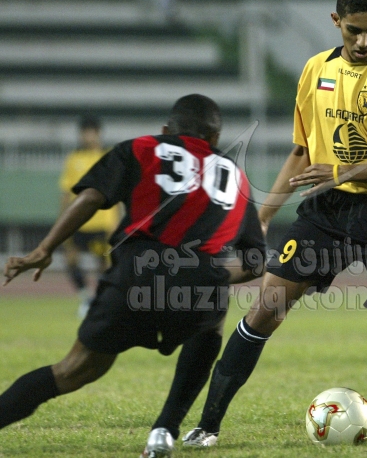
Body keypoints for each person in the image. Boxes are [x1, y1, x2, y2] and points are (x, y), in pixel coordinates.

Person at [181, 0, 367, 448]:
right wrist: (262, 216)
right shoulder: (316, 71)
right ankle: (208, 425)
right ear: (337, 22)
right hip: (327, 211)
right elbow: (301, 152)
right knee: (265, 310)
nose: (364, 41)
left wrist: (342, 170)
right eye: (354, 30)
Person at [1, 94, 266, 458]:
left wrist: (45, 248)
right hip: (198, 284)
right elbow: (255, 261)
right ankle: (165, 429)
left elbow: (91, 197)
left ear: (166, 130)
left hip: (136, 273)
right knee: (211, 324)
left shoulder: (141, 148)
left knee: (74, 369)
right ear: (215, 138)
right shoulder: (236, 175)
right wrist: (210, 273)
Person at [59, 114, 119, 318]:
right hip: (78, 223)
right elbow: (66, 193)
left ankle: (100, 301)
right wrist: (62, 222)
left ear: (98, 134)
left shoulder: (108, 158)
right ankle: (85, 297)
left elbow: (116, 192)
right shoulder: (73, 159)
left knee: (104, 264)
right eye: (84, 133)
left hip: (102, 222)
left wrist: (116, 223)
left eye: (91, 132)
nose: (87, 137)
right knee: (70, 259)